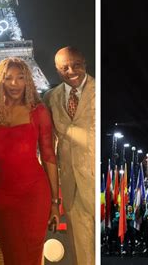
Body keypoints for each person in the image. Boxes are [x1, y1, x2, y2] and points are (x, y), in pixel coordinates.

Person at [0, 57, 59, 265]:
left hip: (33, 194)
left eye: (20, 78)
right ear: (0, 81)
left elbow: (49, 156)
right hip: (1, 193)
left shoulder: (38, 111)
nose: (15, 84)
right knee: (11, 254)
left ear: (28, 81)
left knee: (31, 255)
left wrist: (54, 202)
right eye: (8, 78)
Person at [44, 46, 95, 265]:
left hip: (96, 179)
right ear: (57, 70)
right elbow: (46, 140)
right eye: (64, 67)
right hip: (70, 183)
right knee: (80, 246)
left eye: (76, 64)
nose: (71, 70)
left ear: (85, 63)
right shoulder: (50, 98)